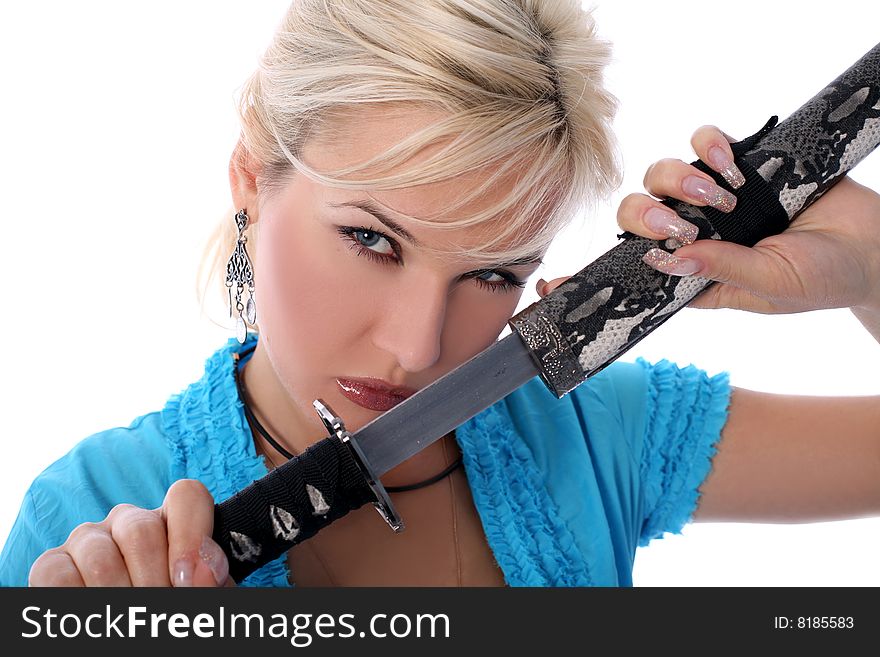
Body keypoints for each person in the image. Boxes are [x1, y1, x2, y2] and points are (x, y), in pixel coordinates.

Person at [2, 0, 879, 587]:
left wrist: (873, 267)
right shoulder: (89, 527)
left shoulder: (597, 433)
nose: (420, 346)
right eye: (372, 240)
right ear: (251, 180)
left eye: (494, 274)